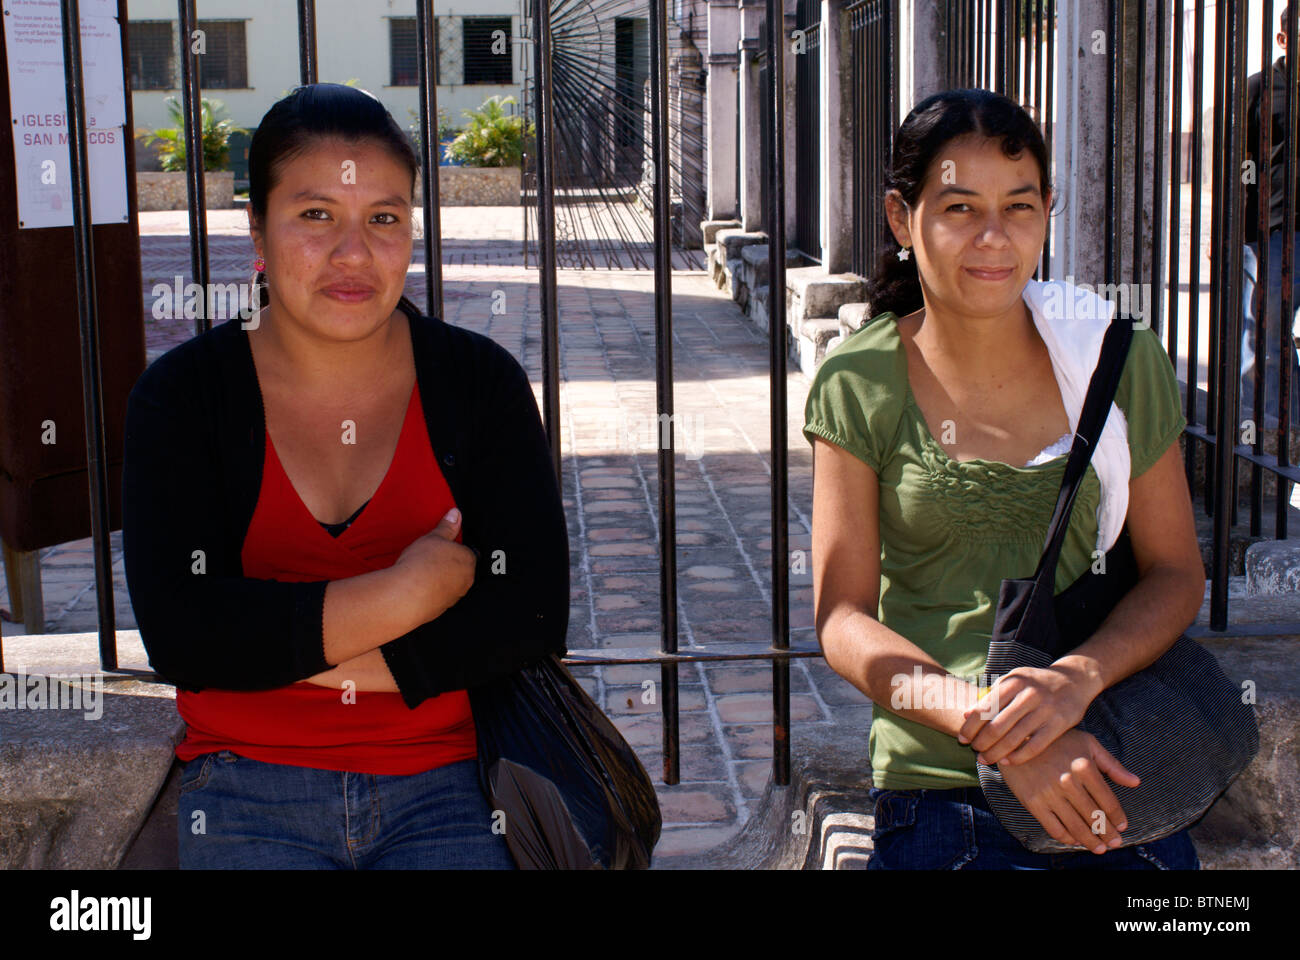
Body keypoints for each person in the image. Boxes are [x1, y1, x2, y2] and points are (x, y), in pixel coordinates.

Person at [121, 83, 570, 869]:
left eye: (384, 219)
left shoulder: (479, 385)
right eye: (316, 215)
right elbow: (184, 635)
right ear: (256, 227)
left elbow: (528, 621)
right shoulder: (184, 398)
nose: (353, 254)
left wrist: (270, 645)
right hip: (243, 780)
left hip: (454, 782)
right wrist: (405, 596)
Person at [804, 89, 1207, 869]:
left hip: (1114, 779)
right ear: (900, 218)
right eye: (958, 207)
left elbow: (1176, 573)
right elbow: (843, 619)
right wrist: (999, 732)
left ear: (1048, 211)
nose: (993, 238)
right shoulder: (859, 383)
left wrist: (1073, 683)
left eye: (1019, 207)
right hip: (940, 797)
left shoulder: (1115, 361)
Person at [1242, 3, 1300, 432]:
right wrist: (1229, 226)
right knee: (1266, 339)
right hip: (1274, 230)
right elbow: (1236, 159)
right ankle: (1275, 431)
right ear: (1283, 39)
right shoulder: (1259, 88)